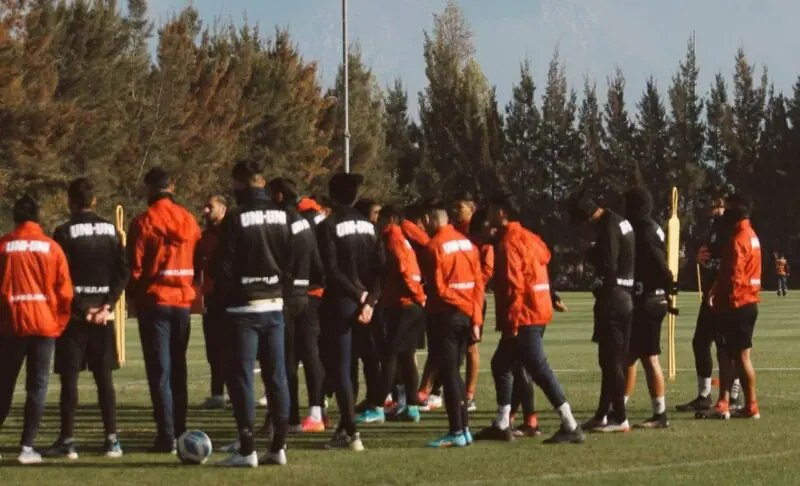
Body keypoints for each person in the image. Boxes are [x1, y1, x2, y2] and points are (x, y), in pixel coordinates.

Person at [474, 192, 583, 444]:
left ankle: (570, 424)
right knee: (501, 363)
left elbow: (514, 287)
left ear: (501, 212)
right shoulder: (529, 237)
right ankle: (502, 423)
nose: (487, 214)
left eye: (491, 209)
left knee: (537, 368)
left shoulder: (509, 242)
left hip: (525, 315)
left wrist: (511, 323)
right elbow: (545, 257)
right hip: (537, 310)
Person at [211, 160, 294, 467]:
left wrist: (231, 290)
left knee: (243, 378)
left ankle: (247, 449)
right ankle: (278, 445)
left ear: (242, 182)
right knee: (277, 377)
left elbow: (223, 265)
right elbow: (291, 259)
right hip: (274, 304)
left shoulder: (236, 217)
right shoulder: (283, 215)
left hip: (242, 307)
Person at [43, 179, 128, 460]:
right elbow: (122, 272)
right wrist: (107, 305)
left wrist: (83, 309)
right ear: (94, 201)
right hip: (103, 317)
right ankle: (112, 440)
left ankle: (68, 441)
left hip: (75, 318)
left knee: (69, 382)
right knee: (104, 380)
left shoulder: (64, 232)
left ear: (70, 202)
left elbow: (59, 278)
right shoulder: (112, 230)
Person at [128, 167, 201, 453]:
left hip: (155, 300)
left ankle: (166, 434)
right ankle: (181, 429)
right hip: (182, 300)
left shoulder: (144, 221)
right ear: (172, 186)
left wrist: (134, 296)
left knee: (160, 371)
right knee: (178, 370)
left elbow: (134, 267)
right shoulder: (189, 219)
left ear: (150, 189)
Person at [0, 195, 73, 465]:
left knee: (4, 385)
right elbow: (65, 291)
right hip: (44, 326)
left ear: (16, 218)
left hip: (10, 324)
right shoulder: (51, 248)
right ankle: (26, 446)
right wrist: (59, 324)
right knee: (37, 387)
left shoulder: (5, 245)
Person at [316, 172, 385, 451]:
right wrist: (369, 302)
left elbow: (331, 271)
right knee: (357, 365)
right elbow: (382, 271)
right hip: (368, 307)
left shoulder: (328, 225)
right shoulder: (371, 226)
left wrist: (358, 296)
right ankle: (346, 428)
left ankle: (352, 433)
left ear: (332, 196)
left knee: (344, 368)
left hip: (342, 304)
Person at [568, 190, 635, 433]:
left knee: (610, 362)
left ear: (587, 215)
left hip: (613, 298)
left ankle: (620, 416)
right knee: (611, 361)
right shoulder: (620, 221)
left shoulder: (607, 228)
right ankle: (602, 414)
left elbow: (609, 263)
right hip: (626, 296)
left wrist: (589, 251)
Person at [422, 199, 484, 448]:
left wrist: (456, 302)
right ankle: (465, 428)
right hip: (467, 312)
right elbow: (479, 284)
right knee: (454, 371)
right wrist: (475, 315)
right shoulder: (468, 245)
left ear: (429, 220)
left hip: (445, 315)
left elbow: (437, 288)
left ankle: (456, 430)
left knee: (449, 374)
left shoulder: (434, 246)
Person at [676, 187, 742, 412]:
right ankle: (704, 394)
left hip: (726, 296)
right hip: (710, 295)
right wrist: (700, 257)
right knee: (700, 342)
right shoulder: (713, 225)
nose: (707, 207)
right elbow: (710, 252)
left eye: (712, 203)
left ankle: (734, 396)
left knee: (729, 347)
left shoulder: (732, 225)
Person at [269, 177, 327, 433]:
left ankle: (289, 415)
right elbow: (317, 264)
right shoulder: (305, 223)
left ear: (279, 197)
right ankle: (316, 412)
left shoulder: (281, 222)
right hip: (309, 295)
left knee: (287, 358)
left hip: (286, 296)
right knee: (310, 354)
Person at [366, 205, 427, 424]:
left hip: (405, 305)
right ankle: (411, 406)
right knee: (405, 356)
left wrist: (417, 295)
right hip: (405, 304)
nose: (378, 222)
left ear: (390, 219)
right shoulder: (399, 237)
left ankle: (378, 405)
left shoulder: (393, 237)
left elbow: (406, 269)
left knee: (390, 355)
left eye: (381, 218)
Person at [621, 187, 675, 429]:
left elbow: (659, 263)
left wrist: (668, 284)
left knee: (648, 358)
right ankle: (619, 407)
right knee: (630, 356)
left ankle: (660, 413)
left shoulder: (642, 230)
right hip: (651, 299)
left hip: (648, 301)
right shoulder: (651, 226)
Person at [708, 193, 762, 420]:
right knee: (740, 356)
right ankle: (734, 402)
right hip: (749, 301)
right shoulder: (752, 235)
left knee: (730, 356)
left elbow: (732, 276)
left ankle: (742, 404)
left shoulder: (736, 239)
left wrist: (717, 298)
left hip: (736, 303)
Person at [351, 198, 385, 418]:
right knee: (360, 357)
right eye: (375, 213)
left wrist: (370, 299)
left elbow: (381, 272)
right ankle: (369, 401)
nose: (378, 218)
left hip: (369, 302)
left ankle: (376, 401)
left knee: (370, 356)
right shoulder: (370, 234)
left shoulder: (376, 235)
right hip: (365, 300)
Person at [194, 195, 228, 410]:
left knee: (234, 350)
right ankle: (217, 394)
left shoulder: (231, 234)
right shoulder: (203, 238)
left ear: (223, 209)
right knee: (214, 350)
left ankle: (237, 393)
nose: (206, 210)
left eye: (210, 207)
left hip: (231, 299)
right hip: (212, 300)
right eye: (205, 206)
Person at [451, 192, 481, 412]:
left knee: (471, 346)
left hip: (470, 295)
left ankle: (469, 394)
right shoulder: (452, 230)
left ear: (472, 209)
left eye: (460, 206)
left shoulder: (475, 233)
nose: (456, 210)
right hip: (453, 294)